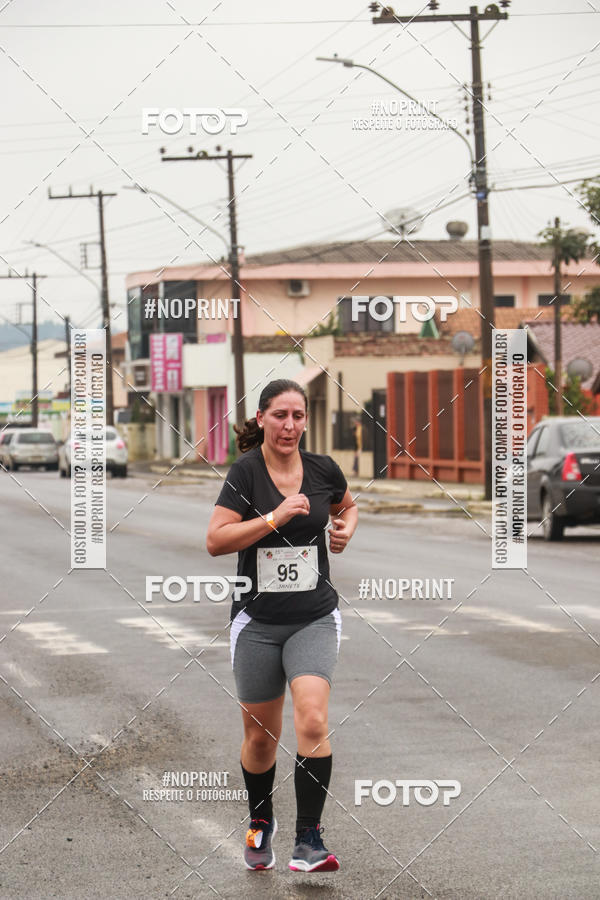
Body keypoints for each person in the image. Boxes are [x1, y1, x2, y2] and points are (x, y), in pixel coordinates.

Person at [206, 378, 358, 873]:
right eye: (279, 415)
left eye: (297, 416)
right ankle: (259, 823)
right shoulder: (246, 473)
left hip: (314, 617)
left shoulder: (323, 469)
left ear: (305, 421)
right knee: (260, 739)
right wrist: (274, 517)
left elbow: (347, 505)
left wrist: (345, 529)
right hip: (257, 622)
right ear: (261, 419)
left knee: (312, 720)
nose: (289, 425)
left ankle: (309, 840)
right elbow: (216, 540)